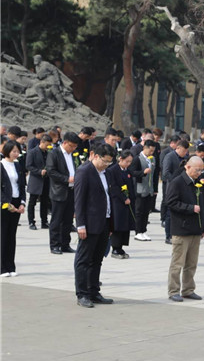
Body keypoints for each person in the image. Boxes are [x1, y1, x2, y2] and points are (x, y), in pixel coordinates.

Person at [73, 143, 117, 308]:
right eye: (104, 161)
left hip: (104, 222)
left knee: (97, 259)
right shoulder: (84, 172)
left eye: (109, 162)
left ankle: (93, 291)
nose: (106, 165)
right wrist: (80, 224)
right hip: (89, 224)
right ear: (95, 155)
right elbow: (79, 200)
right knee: (84, 259)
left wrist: (111, 224)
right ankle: (82, 293)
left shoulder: (105, 173)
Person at [166, 156, 204, 302]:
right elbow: (170, 202)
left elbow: (202, 206)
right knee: (178, 263)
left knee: (191, 263)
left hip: (195, 230)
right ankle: (173, 290)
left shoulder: (198, 184)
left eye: (201, 170)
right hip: (181, 229)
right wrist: (190, 208)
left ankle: (188, 289)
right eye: (197, 170)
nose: (199, 173)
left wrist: (203, 226)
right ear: (187, 167)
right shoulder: (177, 182)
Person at [46, 132, 81, 254]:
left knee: (68, 220)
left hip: (72, 191)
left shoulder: (73, 155)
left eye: (75, 147)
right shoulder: (54, 153)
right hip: (59, 191)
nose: (73, 149)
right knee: (56, 220)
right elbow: (51, 171)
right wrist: (67, 179)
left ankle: (65, 244)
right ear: (65, 143)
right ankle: (55, 245)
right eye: (71, 146)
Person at [1, 140, 26, 277]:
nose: (16, 154)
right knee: (3, 235)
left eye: (18, 151)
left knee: (12, 235)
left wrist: (22, 202)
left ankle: (11, 265)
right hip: (4, 203)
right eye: (14, 151)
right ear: (7, 151)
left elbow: (22, 186)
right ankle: (2, 267)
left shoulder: (18, 166)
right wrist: (6, 203)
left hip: (16, 201)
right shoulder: (1, 165)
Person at [106, 150, 136, 259]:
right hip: (117, 202)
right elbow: (113, 187)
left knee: (125, 225)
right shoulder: (112, 170)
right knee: (118, 225)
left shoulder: (127, 171)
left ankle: (121, 246)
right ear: (120, 159)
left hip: (127, 202)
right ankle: (115, 247)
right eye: (127, 161)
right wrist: (123, 198)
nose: (128, 164)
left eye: (130, 162)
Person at [161, 140, 190, 244]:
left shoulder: (186, 158)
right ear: (178, 148)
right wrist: (176, 181)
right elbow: (165, 173)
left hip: (184, 188)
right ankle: (168, 236)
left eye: (187, 151)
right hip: (172, 187)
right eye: (184, 150)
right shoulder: (169, 156)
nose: (185, 153)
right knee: (170, 213)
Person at [130, 140, 157, 241]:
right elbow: (132, 172)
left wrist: (155, 189)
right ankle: (138, 232)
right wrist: (143, 172)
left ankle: (143, 231)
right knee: (139, 212)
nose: (151, 153)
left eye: (153, 151)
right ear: (145, 148)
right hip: (140, 189)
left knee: (146, 211)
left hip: (149, 189)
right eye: (150, 150)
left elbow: (155, 174)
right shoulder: (137, 158)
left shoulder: (153, 159)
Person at [26, 134, 52, 230]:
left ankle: (44, 221)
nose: (48, 147)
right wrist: (39, 171)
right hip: (36, 180)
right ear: (42, 142)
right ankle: (31, 222)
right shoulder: (32, 152)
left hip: (46, 180)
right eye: (47, 145)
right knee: (32, 202)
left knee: (45, 202)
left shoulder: (49, 153)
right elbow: (28, 166)